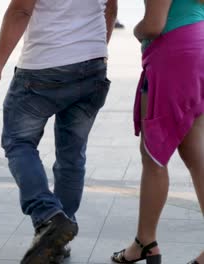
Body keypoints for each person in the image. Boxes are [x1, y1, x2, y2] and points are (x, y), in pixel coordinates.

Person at [0, 0, 117, 263]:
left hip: (43, 68)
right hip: (93, 65)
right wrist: (96, 52)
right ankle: (58, 238)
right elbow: (110, 7)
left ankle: (49, 218)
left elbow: (20, 9)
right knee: (72, 154)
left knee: (18, 142)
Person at [111, 0, 204, 263]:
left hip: (173, 54)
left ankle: (145, 241)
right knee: (196, 153)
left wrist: (135, 31)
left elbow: (153, 25)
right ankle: (144, 240)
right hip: (197, 44)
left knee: (153, 154)